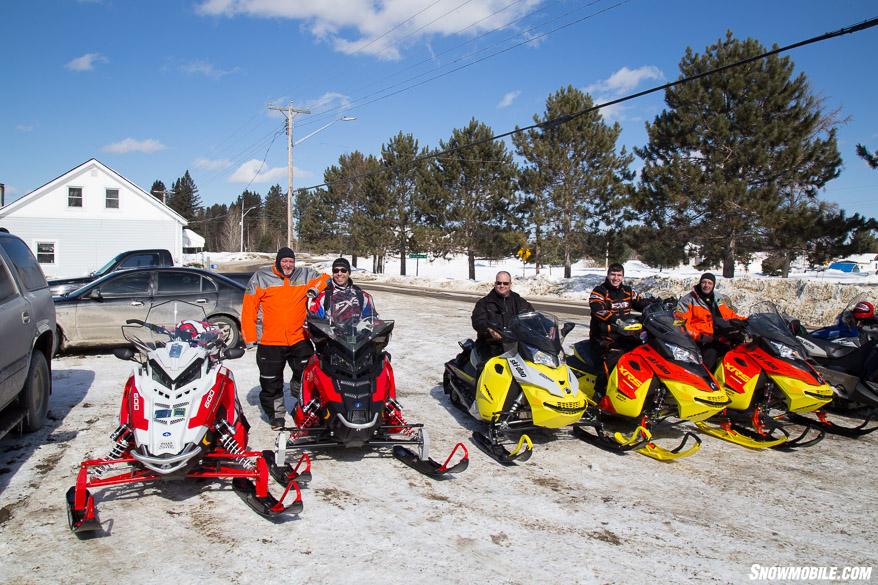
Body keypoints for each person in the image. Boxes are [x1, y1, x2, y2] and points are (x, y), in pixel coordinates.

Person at [241, 247, 329, 429]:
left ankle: (305, 408)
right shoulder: (260, 277)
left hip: (299, 339)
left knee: (307, 376)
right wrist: (250, 338)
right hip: (270, 342)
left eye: (291, 261)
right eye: (284, 261)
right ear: (278, 261)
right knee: (271, 381)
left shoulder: (304, 275)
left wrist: (314, 288)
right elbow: (249, 309)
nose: (288, 265)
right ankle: (276, 416)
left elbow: (326, 279)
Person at [589, 263, 651, 396]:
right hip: (605, 336)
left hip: (626, 334)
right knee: (614, 359)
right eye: (613, 274)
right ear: (608, 275)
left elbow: (640, 302)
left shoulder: (627, 291)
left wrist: (657, 304)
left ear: (623, 277)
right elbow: (598, 309)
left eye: (619, 275)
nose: (616, 278)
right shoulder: (599, 291)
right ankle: (600, 393)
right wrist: (616, 321)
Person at [674, 272, 746, 370]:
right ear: (700, 283)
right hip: (699, 341)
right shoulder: (688, 300)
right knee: (711, 357)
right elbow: (679, 323)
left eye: (709, 283)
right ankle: (706, 381)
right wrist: (700, 336)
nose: (706, 285)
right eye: (704, 282)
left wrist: (747, 321)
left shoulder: (717, 297)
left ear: (713, 285)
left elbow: (728, 314)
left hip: (720, 336)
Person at [471, 271, 534, 364]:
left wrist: (548, 328)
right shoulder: (484, 303)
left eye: (505, 283)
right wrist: (489, 330)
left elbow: (532, 316)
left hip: (517, 345)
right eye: (499, 283)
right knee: (487, 367)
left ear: (510, 284)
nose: (502, 285)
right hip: (490, 344)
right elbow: (478, 321)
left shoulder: (519, 302)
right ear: (495, 284)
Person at [308, 257, 376, 322]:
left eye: (343, 270)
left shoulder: (361, 295)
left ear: (349, 272)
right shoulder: (324, 295)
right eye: (336, 271)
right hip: (329, 333)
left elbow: (372, 318)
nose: (339, 274)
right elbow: (315, 321)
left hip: (355, 333)